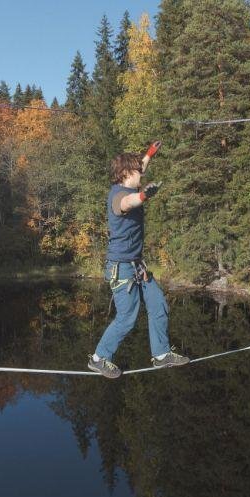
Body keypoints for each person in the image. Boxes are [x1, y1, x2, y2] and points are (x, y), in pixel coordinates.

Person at [88, 144, 190, 378]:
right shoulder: (118, 196)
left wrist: (149, 154)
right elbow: (128, 203)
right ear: (125, 174)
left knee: (158, 304)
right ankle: (99, 358)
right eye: (137, 172)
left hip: (137, 265)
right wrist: (144, 196)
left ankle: (162, 355)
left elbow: (139, 168)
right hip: (121, 269)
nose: (141, 174)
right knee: (126, 318)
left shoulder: (128, 181)